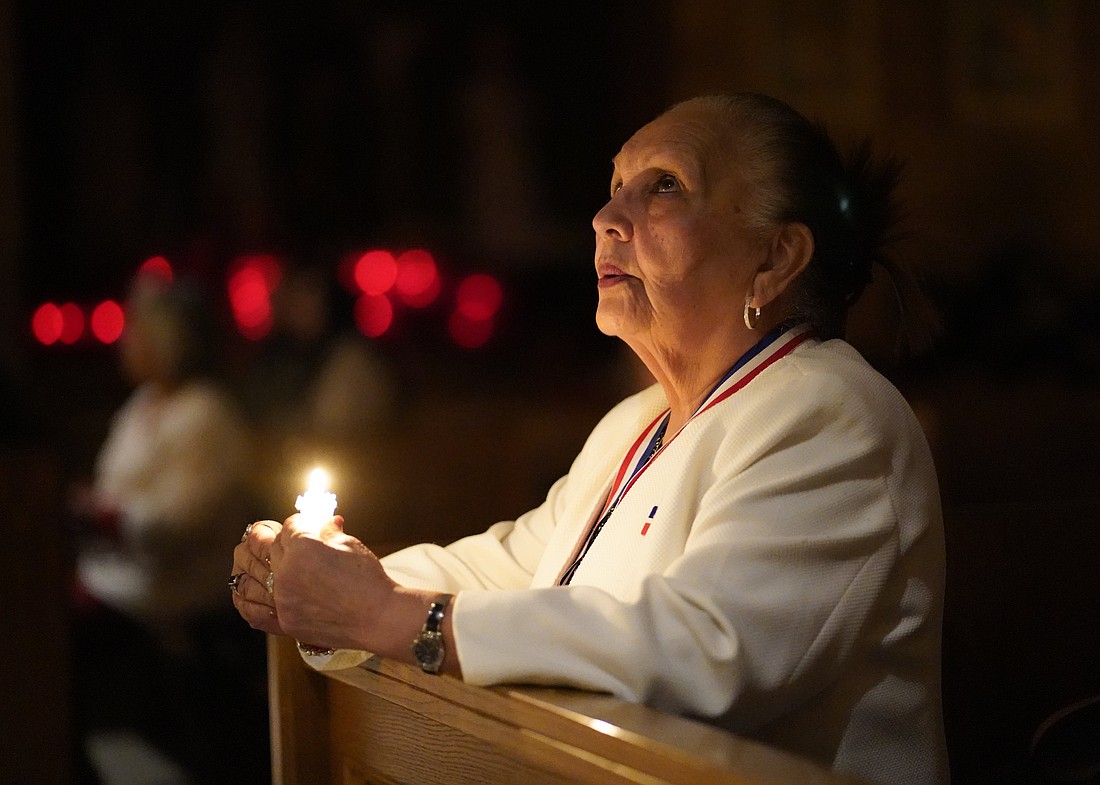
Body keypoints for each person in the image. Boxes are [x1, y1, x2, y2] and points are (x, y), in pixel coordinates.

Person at [230, 92, 949, 785]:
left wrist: (389, 616)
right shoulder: (635, 422)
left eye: (663, 186)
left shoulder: (831, 410)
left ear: (774, 258)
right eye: (614, 187)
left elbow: (706, 650)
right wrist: (322, 575)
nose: (607, 217)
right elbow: (512, 571)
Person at [70, 273, 261, 783]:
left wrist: (104, 515)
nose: (124, 342)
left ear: (171, 341)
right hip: (120, 572)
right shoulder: (139, 408)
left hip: (179, 583)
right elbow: (113, 489)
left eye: (137, 331)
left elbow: (179, 523)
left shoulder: (205, 413)